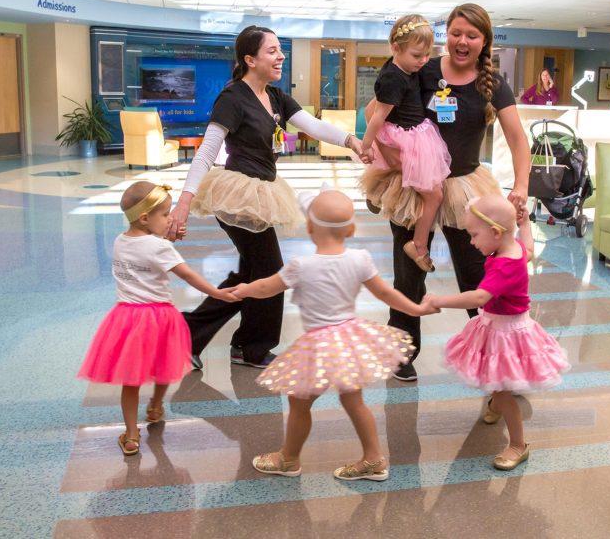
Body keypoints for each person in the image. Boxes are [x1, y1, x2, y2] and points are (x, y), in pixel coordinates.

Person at [166, 25, 362, 371]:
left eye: (279, 50)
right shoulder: (233, 98)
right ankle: (250, 346)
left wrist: (350, 140)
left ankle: (198, 335)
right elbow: (208, 150)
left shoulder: (275, 97)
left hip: (262, 193)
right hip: (236, 195)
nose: (280, 56)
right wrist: (184, 202)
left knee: (252, 272)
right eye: (271, 51)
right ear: (249, 59)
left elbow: (312, 125)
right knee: (269, 269)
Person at [361, 3, 531, 381]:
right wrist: (385, 152)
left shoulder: (492, 82)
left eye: (471, 35)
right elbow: (377, 108)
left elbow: (519, 138)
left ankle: (494, 359)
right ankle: (402, 354)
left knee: (476, 277)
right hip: (414, 183)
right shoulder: (425, 66)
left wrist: (521, 185)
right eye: (456, 33)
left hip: (465, 188)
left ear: (484, 41)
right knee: (408, 276)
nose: (462, 41)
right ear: (446, 34)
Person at [229, 189, 438, 480]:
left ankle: (289, 459)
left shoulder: (301, 266)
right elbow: (386, 293)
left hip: (317, 345)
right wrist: (415, 309)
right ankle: (374, 458)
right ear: (351, 229)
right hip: (348, 341)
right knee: (354, 402)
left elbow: (267, 288)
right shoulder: (360, 259)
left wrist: (242, 290)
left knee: (299, 402)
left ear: (310, 227)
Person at [77, 181, 239, 456]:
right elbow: (187, 274)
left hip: (127, 319)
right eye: (165, 215)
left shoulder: (120, 241)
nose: (170, 219)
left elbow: (144, 251)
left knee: (131, 380)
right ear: (145, 218)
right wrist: (217, 293)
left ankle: (130, 434)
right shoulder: (160, 249)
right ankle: (155, 405)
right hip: (160, 316)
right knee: (166, 365)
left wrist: (164, 237)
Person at [425, 195, 570, 470]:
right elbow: (529, 249)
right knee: (493, 372)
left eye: (474, 235)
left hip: (507, 331)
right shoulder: (510, 248)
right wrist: (525, 222)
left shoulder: (503, 265)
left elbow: (479, 298)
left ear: (495, 232)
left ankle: (518, 444)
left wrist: (439, 301)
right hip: (499, 326)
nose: (471, 242)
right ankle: (495, 406)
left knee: (503, 389)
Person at [361, 14, 451, 273]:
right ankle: (419, 245)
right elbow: (377, 115)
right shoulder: (393, 77)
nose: (423, 61)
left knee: (406, 177)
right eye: (417, 55)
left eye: (426, 55)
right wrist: (367, 146)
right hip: (408, 135)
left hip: (416, 132)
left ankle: (376, 195)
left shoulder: (403, 68)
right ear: (396, 47)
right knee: (434, 195)